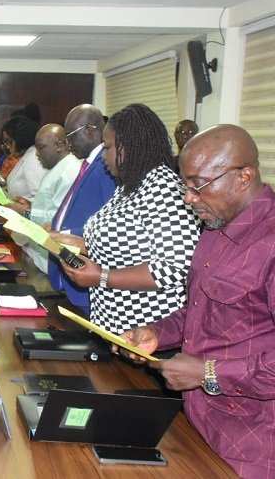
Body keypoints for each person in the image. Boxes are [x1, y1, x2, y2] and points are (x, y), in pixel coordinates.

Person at [118, 124, 275, 478]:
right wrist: (157, 333)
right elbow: (204, 309)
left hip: (254, 445)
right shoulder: (216, 226)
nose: (189, 199)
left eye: (198, 186)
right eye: (184, 186)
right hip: (201, 423)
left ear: (244, 177)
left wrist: (207, 373)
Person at [56, 104, 201, 332]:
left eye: (108, 147)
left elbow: (175, 268)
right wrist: (78, 244)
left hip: (145, 331)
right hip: (113, 325)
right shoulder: (130, 186)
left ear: (129, 147)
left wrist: (102, 277)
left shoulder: (165, 190)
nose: (103, 155)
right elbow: (129, 246)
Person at [47, 104, 116, 315]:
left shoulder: (107, 166)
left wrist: (65, 234)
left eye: (71, 136)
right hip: (71, 275)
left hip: (88, 281)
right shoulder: (89, 163)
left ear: (89, 131)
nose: (68, 144)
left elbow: (111, 222)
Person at [7, 124, 81, 273]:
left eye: (41, 148)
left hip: (50, 257)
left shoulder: (69, 172)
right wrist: (30, 205)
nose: (37, 154)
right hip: (39, 252)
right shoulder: (57, 167)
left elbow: (59, 218)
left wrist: (26, 211)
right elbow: (49, 204)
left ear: (59, 146)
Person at [2, 115, 46, 201]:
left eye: (8, 141)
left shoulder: (33, 158)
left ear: (20, 138)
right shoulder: (27, 156)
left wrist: (23, 206)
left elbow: (41, 198)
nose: (7, 146)